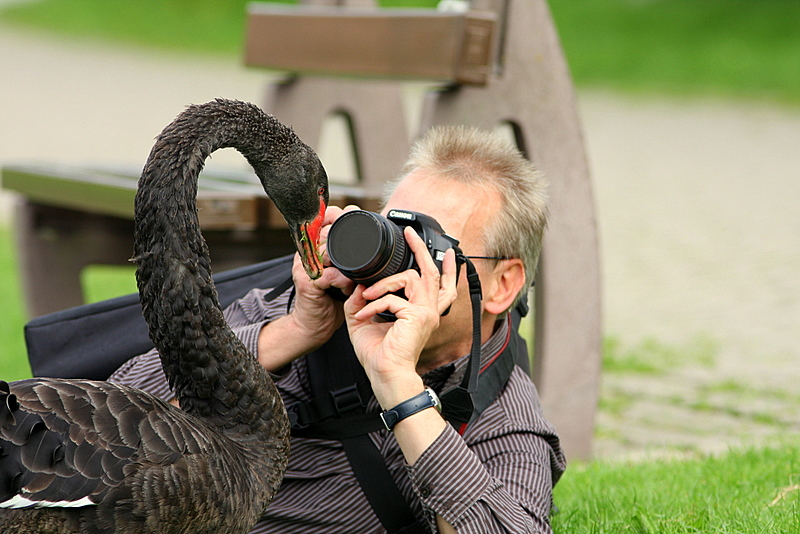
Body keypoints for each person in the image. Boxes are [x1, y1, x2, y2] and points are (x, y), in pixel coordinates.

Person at [109, 125, 566, 533]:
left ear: (503, 284)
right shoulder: (304, 311)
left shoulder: (502, 414)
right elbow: (107, 420)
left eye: (428, 246)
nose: (397, 262)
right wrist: (293, 332)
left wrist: (400, 385)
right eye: (393, 231)